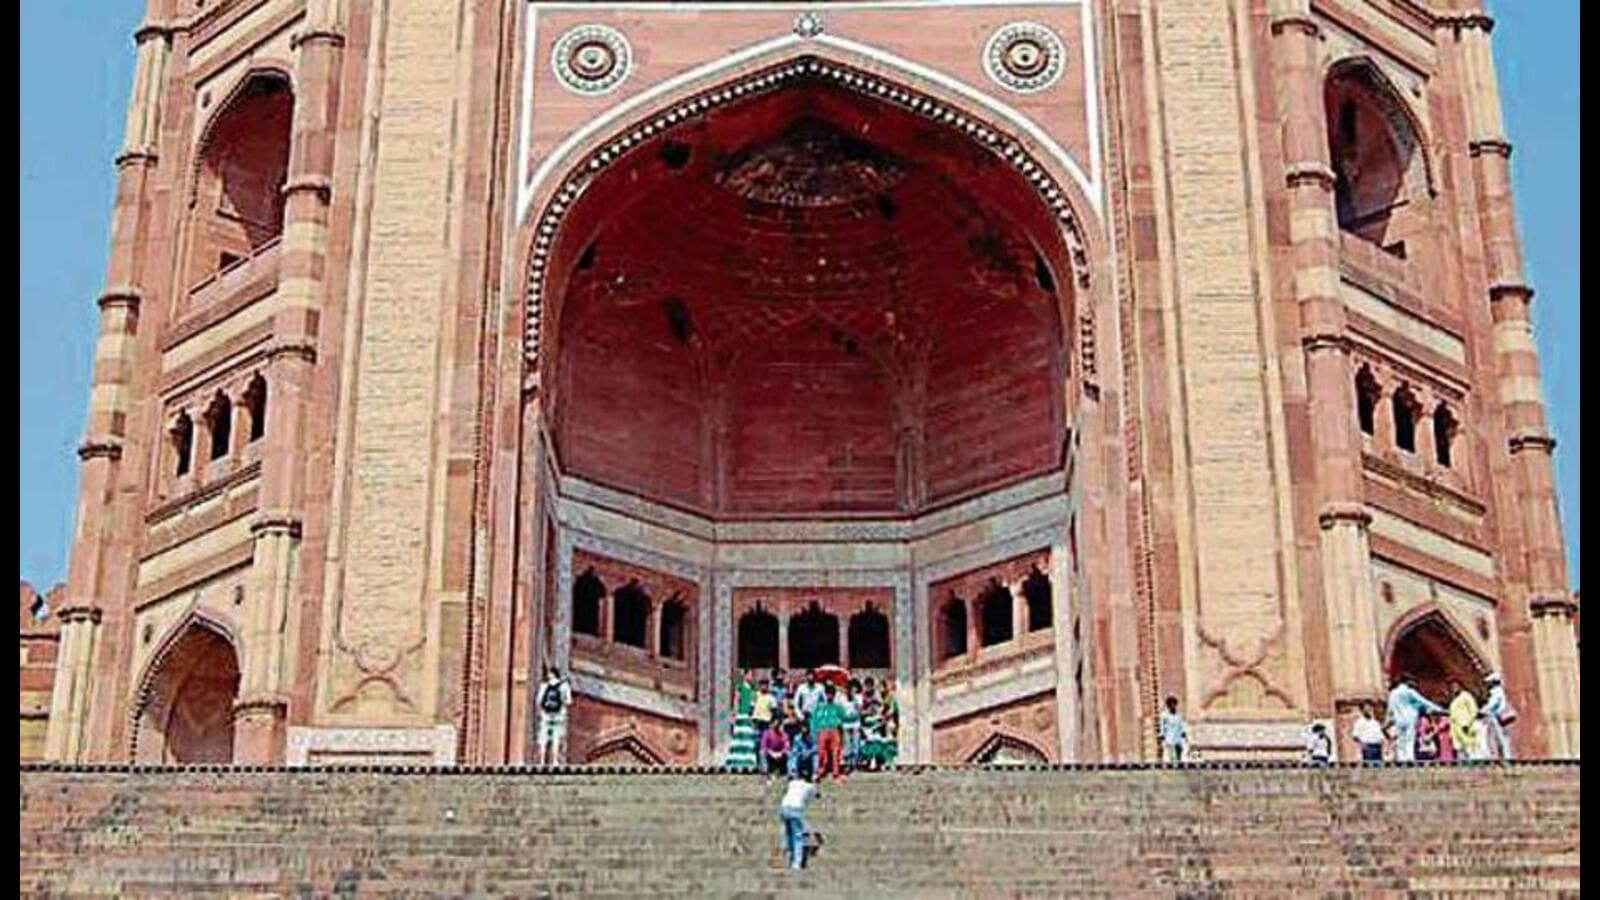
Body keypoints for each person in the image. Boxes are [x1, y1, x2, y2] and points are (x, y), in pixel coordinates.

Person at [1385, 675, 1444, 763]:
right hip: (1409, 718)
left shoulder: (1393, 693)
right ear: (1407, 682)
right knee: (1409, 739)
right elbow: (1423, 701)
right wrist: (1439, 709)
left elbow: (1390, 709)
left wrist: (1389, 720)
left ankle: (1402, 759)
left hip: (1398, 719)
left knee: (1401, 740)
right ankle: (1409, 758)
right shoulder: (1409, 692)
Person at [778, 763, 820, 872]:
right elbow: (817, 794)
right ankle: (796, 863)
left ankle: (790, 858)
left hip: (784, 807)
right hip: (795, 809)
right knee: (798, 837)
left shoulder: (793, 783)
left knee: (789, 835)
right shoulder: (809, 786)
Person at [535, 666, 572, 767]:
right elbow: (568, 701)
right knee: (556, 737)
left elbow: (538, 701)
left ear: (550, 674)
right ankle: (555, 761)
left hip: (546, 715)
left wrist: (542, 711)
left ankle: (541, 761)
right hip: (559, 715)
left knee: (544, 737)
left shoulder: (544, 685)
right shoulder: (564, 685)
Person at [811, 683, 847, 780]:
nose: (829, 696)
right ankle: (821, 771)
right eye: (828, 693)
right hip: (823, 730)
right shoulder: (820, 707)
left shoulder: (837, 707)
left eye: (831, 694)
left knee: (836, 752)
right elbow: (814, 719)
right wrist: (814, 730)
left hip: (834, 730)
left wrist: (855, 715)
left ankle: (836, 772)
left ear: (834, 695)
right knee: (822, 752)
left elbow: (845, 717)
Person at [1481, 672, 1516, 761]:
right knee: (1502, 738)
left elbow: (1492, 705)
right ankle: (1505, 757)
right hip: (1497, 717)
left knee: (1501, 738)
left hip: (1497, 718)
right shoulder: (1499, 692)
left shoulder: (1497, 692)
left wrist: (1483, 710)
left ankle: (1507, 758)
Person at [1448, 681, 1481, 762]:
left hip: (1466, 725)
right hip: (1456, 727)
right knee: (1460, 747)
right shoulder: (1454, 700)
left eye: (1456, 686)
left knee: (1469, 746)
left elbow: (1473, 709)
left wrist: (1468, 722)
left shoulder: (1466, 696)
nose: (1454, 689)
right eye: (1452, 687)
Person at [840, 680, 862, 772]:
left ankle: (855, 763)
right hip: (845, 724)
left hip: (855, 723)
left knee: (856, 743)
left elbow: (859, 709)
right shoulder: (842, 698)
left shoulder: (858, 697)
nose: (853, 690)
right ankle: (848, 763)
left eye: (855, 688)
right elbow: (840, 710)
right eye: (851, 688)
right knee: (847, 743)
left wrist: (855, 699)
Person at [760, 718, 791, 784]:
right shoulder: (767, 733)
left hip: (780, 754)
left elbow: (787, 746)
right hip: (770, 753)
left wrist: (781, 753)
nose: (776, 726)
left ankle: (790, 773)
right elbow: (763, 746)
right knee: (762, 752)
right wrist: (771, 752)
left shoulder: (783, 734)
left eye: (778, 724)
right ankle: (766, 772)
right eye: (774, 724)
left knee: (789, 753)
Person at [1159, 696, 1187, 764]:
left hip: (1178, 735)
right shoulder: (1165, 715)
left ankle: (1179, 761)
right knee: (1170, 750)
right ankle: (1172, 763)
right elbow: (1162, 725)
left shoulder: (1179, 715)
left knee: (1179, 749)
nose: (1173, 706)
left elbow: (1182, 724)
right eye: (1171, 704)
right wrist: (1162, 734)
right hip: (1169, 735)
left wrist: (1184, 732)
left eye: (1174, 704)